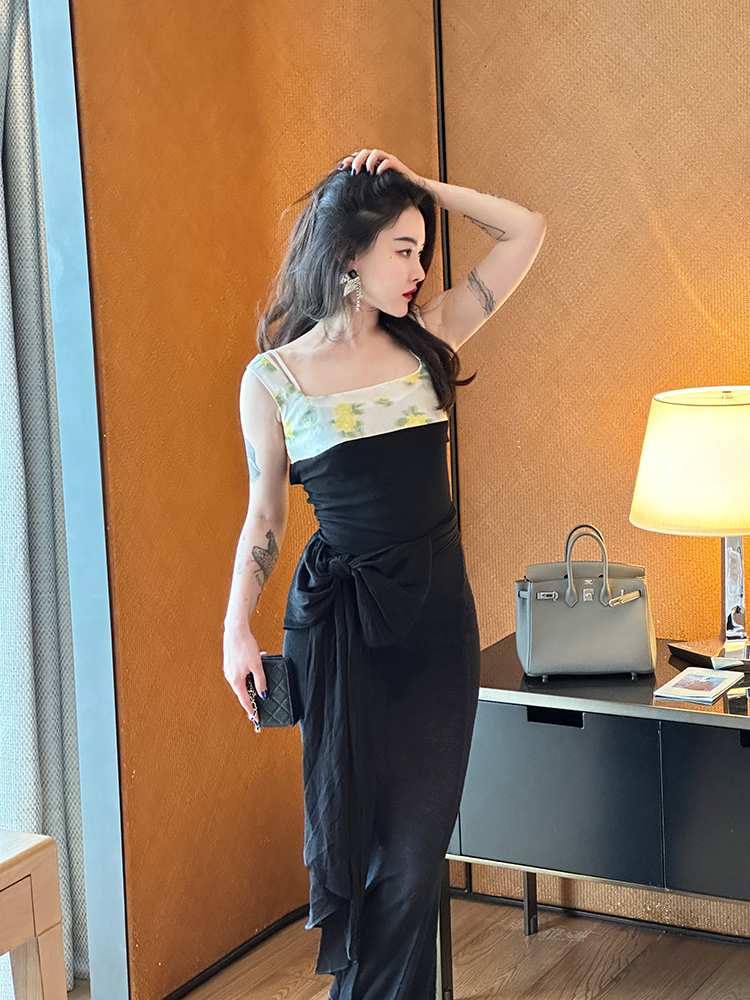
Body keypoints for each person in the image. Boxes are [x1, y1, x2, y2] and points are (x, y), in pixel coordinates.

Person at [222, 147, 545, 1000]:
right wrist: (235, 630)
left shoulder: (428, 336)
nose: (419, 269)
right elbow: (265, 517)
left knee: (412, 856)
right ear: (348, 255)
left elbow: (526, 230)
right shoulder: (273, 380)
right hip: (341, 635)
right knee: (366, 854)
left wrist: (420, 187)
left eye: (421, 250)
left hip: (437, 626)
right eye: (403, 249)